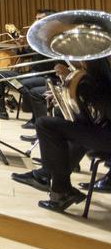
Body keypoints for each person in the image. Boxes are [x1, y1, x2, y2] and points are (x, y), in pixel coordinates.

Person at [12, 57, 111, 212]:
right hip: (104, 129)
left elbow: (104, 103)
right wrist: (65, 91)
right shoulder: (103, 72)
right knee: (69, 121)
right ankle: (51, 180)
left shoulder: (102, 74)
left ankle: (59, 189)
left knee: (45, 125)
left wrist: (72, 83)